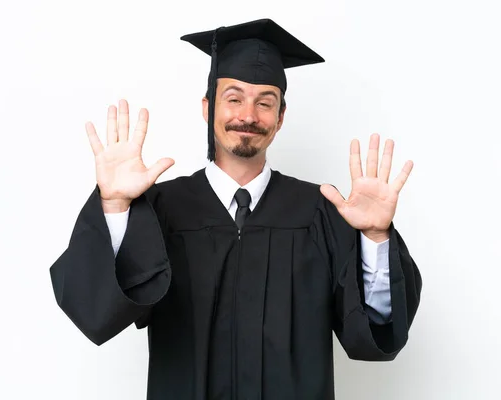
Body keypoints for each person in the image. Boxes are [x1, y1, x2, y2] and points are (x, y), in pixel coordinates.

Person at [49, 18, 422, 400]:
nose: (248, 115)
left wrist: (375, 238)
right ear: (208, 108)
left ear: (280, 118)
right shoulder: (162, 210)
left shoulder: (321, 213)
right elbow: (94, 312)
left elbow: (375, 331)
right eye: (234, 98)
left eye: (265, 102)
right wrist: (113, 205)